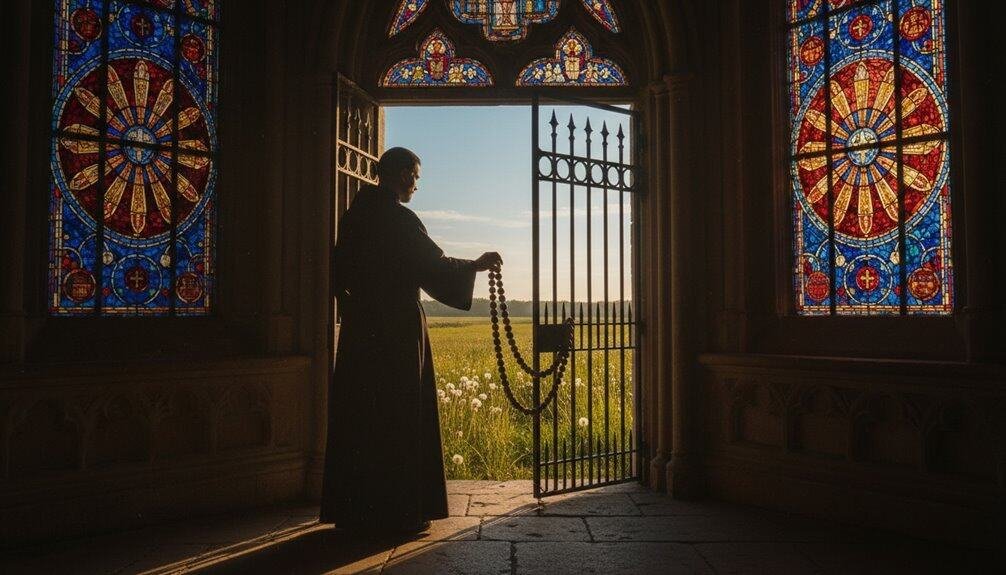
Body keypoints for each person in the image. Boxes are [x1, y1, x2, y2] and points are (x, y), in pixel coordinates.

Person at [319, 147, 502, 533]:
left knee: (363, 414)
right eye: (415, 177)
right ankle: (400, 512)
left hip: (360, 330)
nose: (416, 184)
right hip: (398, 329)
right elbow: (432, 266)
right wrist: (476, 263)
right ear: (402, 174)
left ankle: (357, 512)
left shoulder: (354, 217)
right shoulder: (400, 220)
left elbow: (340, 271)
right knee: (400, 413)